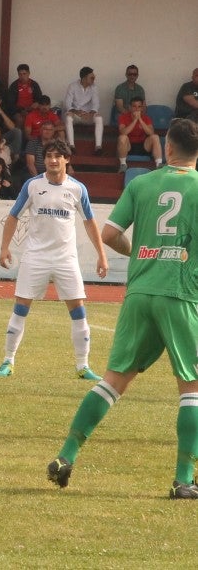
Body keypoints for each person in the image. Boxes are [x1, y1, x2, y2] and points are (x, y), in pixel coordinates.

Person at [47, 118, 198, 500]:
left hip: (140, 292)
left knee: (114, 380)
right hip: (181, 294)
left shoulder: (142, 183)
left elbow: (110, 234)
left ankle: (66, 456)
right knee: (192, 389)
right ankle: (183, 481)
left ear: (167, 145)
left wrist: (144, 255)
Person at [0, 138, 109, 380]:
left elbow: (89, 222)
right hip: (35, 257)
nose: (53, 160)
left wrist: (101, 255)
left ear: (67, 159)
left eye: (58, 156)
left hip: (66, 259)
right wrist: (4, 247)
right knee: (20, 307)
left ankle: (83, 366)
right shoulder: (33, 185)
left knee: (78, 310)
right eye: (48, 156)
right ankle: (8, 361)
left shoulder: (78, 189)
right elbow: (13, 216)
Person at [116, 95, 163, 171]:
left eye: (139, 107)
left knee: (155, 137)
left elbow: (151, 132)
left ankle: (159, 165)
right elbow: (123, 132)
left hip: (143, 146)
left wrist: (140, 119)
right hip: (128, 146)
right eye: (134, 106)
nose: (137, 109)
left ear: (142, 108)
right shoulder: (123, 117)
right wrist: (135, 120)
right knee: (122, 137)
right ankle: (123, 165)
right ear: (130, 107)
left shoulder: (146, 118)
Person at [63, 66, 103, 154]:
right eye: (92, 78)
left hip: (88, 115)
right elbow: (67, 104)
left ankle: (98, 147)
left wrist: (90, 114)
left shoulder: (94, 87)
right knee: (68, 117)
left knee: (99, 118)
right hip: (76, 114)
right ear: (84, 78)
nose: (94, 79)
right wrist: (77, 112)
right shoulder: (72, 86)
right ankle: (71, 145)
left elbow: (96, 104)